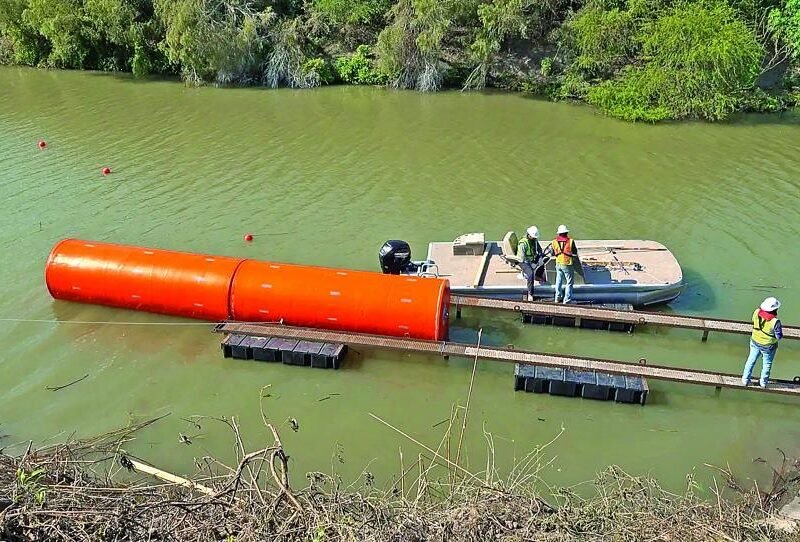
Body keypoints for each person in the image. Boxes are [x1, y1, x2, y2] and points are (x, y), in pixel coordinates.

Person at [742, 297, 783, 388]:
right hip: (768, 346)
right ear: (775, 309)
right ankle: (763, 382)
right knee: (767, 364)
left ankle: (745, 379)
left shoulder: (756, 312)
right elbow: (779, 336)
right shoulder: (775, 322)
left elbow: (753, 321)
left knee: (751, 360)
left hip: (755, 341)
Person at [550, 224, 583, 304]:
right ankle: (567, 300)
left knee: (559, 280)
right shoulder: (571, 241)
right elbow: (575, 253)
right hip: (567, 263)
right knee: (569, 282)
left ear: (559, 233)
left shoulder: (554, 242)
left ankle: (557, 298)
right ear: (566, 233)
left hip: (558, 263)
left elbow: (552, 253)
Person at [517, 226, 544, 301]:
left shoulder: (534, 240)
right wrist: (531, 263)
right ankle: (530, 294)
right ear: (528, 235)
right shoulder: (523, 243)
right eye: (533, 237)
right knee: (530, 274)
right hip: (524, 262)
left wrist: (540, 255)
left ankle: (537, 276)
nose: (534, 238)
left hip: (532, 259)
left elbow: (539, 249)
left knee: (543, 261)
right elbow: (522, 257)